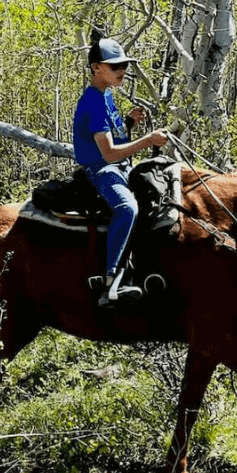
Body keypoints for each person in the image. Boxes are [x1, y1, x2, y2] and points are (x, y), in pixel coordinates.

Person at [72, 37, 170, 307]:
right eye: (115, 66)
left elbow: (111, 135)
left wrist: (128, 122)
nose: (122, 70)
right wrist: (148, 140)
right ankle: (111, 281)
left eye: (124, 65)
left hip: (120, 166)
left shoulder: (105, 94)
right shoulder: (92, 102)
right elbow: (109, 154)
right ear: (96, 68)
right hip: (102, 170)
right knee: (127, 208)